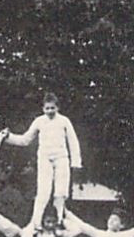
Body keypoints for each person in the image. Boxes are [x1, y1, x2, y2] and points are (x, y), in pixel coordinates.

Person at [5, 93, 83, 229]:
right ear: (43, 109)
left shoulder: (64, 121)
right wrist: (9, 137)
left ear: (57, 108)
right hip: (45, 158)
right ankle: (36, 223)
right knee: (43, 191)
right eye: (47, 108)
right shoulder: (39, 121)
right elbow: (26, 139)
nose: (50, 111)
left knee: (61, 191)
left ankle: (59, 221)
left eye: (52, 108)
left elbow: (73, 141)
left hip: (61, 158)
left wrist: (75, 162)